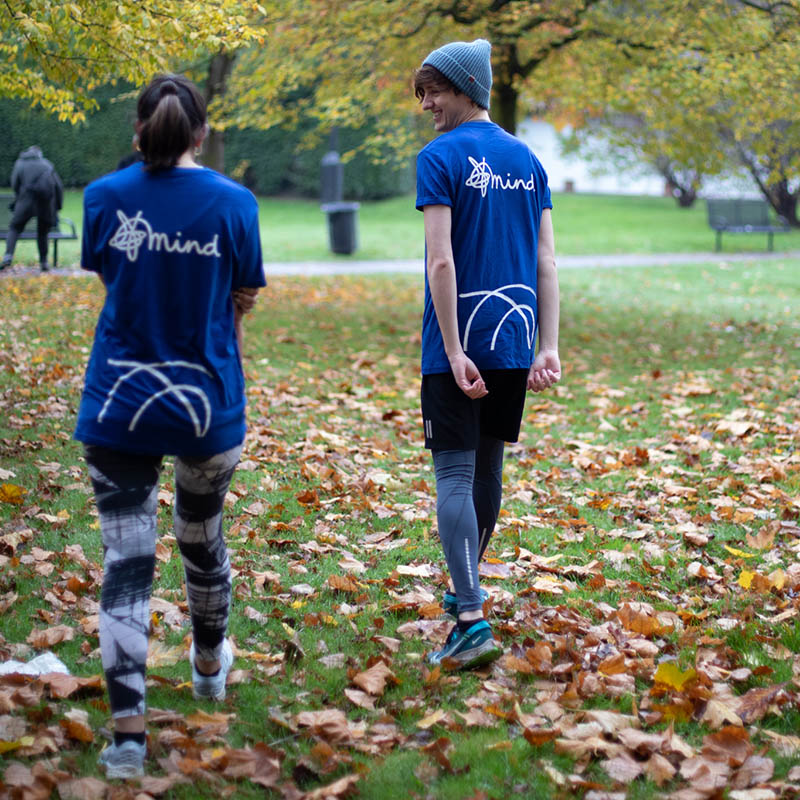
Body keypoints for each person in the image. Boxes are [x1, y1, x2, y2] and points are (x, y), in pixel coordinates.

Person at [73, 74, 265, 779]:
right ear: (200, 134)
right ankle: (210, 664)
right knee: (200, 534)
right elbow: (242, 296)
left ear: (138, 132)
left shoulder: (102, 198)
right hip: (208, 407)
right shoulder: (235, 203)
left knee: (126, 564)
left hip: (116, 406)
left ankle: (127, 739)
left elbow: (113, 280)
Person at [413, 40, 561, 670]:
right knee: (487, 470)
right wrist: (546, 344)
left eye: (435, 91)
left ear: (469, 87)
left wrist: (450, 350)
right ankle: (466, 590)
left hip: (460, 341)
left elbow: (440, 260)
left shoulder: (439, 157)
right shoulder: (528, 160)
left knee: (454, 474)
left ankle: (470, 617)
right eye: (422, 93)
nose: (427, 105)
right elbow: (545, 260)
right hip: (513, 336)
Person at [0, 146, 63, 271]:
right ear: (40, 154)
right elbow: (58, 186)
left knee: (15, 228)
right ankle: (44, 262)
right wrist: (58, 207)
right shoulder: (47, 165)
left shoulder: (20, 163)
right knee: (43, 232)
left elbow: (15, 184)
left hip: (25, 204)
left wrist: (20, 197)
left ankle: (8, 256)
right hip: (45, 204)